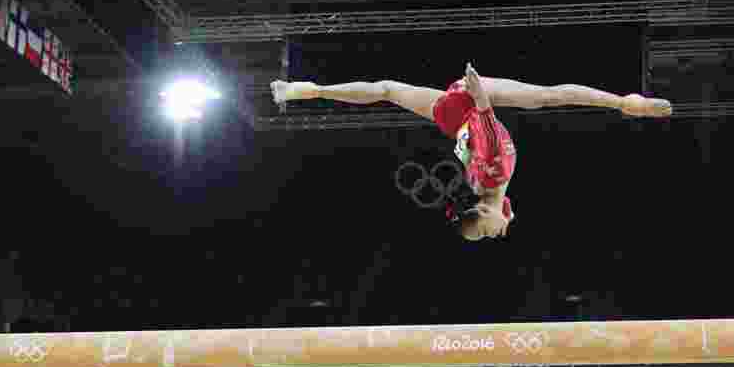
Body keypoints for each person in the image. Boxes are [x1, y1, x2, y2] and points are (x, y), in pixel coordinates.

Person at [271, 63, 672, 241]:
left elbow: (485, 126)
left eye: (485, 233)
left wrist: (478, 93)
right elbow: (496, 198)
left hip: (470, 105)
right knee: (387, 90)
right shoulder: (482, 189)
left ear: (483, 211)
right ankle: (309, 90)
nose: (495, 235)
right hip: (452, 118)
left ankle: (625, 102)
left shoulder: (494, 174)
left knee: (552, 97)